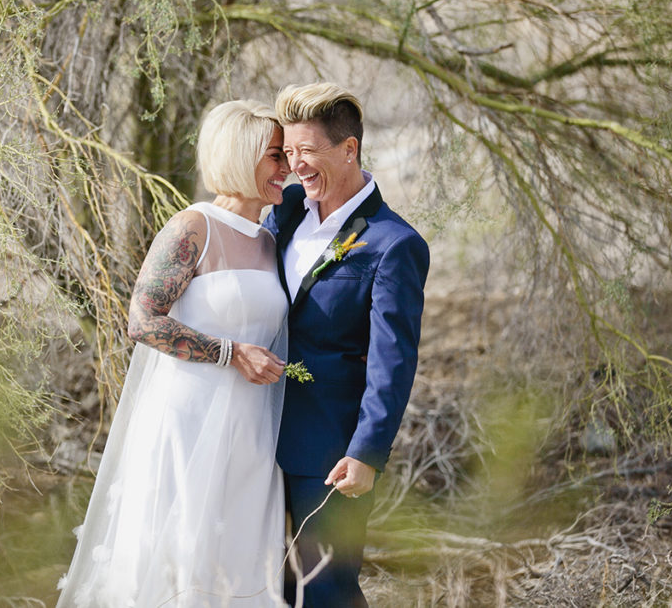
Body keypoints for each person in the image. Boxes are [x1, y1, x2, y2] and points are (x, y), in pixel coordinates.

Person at [57, 100, 292, 607]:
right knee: (177, 569)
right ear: (240, 155)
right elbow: (142, 320)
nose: (287, 168)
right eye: (276, 156)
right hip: (187, 426)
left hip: (250, 435)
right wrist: (230, 353)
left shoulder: (270, 241)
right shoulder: (194, 227)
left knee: (236, 571)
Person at [264, 83, 429, 607]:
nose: (295, 166)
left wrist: (366, 453)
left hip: (328, 450)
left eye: (307, 151)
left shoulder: (393, 244)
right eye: (288, 152)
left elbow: (392, 361)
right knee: (261, 584)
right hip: (255, 434)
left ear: (349, 149)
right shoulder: (287, 209)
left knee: (325, 589)